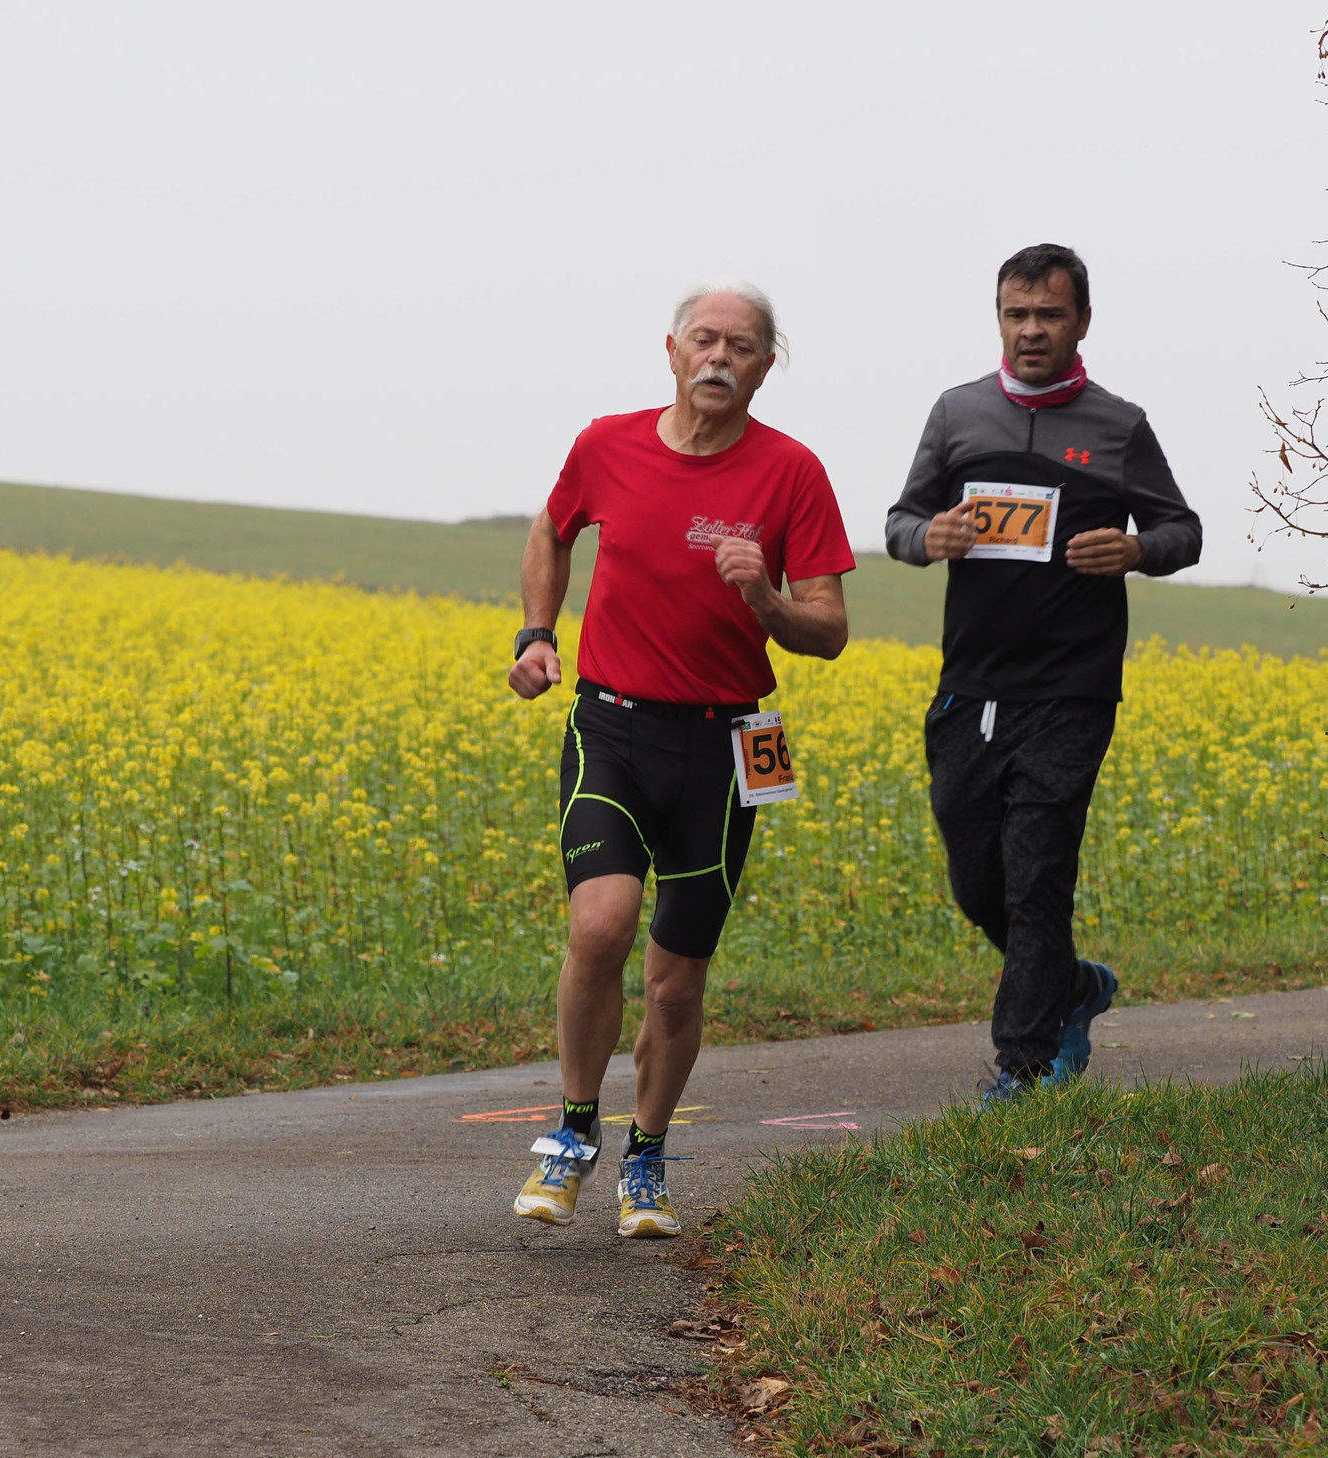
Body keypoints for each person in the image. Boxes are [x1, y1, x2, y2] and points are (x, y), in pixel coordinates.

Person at [506, 279, 854, 1236]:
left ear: (765, 367)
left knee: (675, 982)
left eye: (740, 347)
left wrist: (767, 600)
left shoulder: (793, 473)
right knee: (601, 925)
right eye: (704, 340)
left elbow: (830, 630)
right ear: (671, 350)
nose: (718, 359)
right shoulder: (606, 445)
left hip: (729, 744)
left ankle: (647, 1156)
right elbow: (551, 529)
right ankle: (574, 1132)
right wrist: (537, 634)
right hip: (613, 727)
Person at [884, 243, 1202, 1104]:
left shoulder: (1118, 426)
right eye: (1016, 314)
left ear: (1081, 322)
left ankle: (1020, 1068)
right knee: (975, 881)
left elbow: (1183, 532)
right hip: (969, 688)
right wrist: (928, 538)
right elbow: (901, 522)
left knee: (1036, 875)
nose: (1031, 330)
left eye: (1049, 315)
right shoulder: (957, 414)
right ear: (998, 319)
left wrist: (1137, 550)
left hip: (1071, 691)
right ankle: (1074, 984)